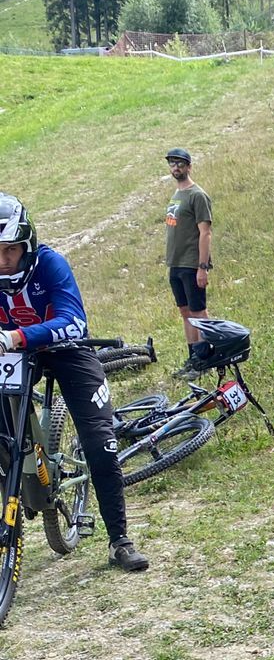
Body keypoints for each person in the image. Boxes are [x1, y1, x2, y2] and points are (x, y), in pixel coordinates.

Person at [0, 193, 150, 572]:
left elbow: (74, 321)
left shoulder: (50, 264)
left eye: (10, 251)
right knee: (5, 442)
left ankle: (119, 540)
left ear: (27, 244)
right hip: (12, 356)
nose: (2, 262)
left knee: (101, 444)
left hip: (66, 348)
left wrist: (20, 336)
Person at [163, 147, 214, 380]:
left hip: (192, 264)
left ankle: (204, 359)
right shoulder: (176, 195)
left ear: (189, 166)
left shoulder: (197, 195)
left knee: (198, 311)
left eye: (180, 164)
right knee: (185, 312)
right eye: (172, 164)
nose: (176, 168)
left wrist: (203, 267)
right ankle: (192, 356)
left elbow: (205, 233)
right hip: (175, 263)